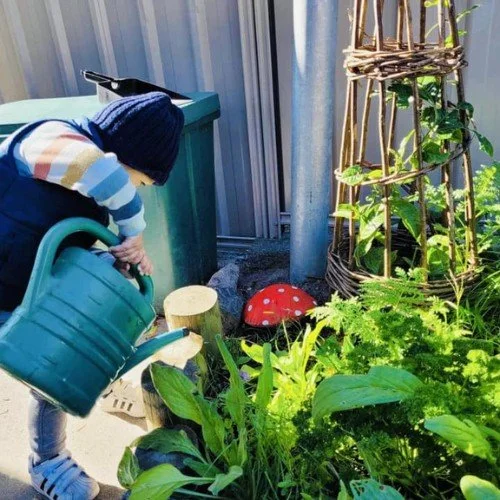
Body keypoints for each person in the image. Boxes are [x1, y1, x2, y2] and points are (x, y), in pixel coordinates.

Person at [0, 92, 184, 499]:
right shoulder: (50, 141)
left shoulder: (90, 183)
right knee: (53, 374)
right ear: (122, 155)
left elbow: (67, 238)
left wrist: (116, 261)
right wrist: (134, 230)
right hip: (5, 289)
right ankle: (46, 460)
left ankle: (99, 382)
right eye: (141, 181)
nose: (136, 190)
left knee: (86, 332)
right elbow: (101, 173)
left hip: (26, 284)